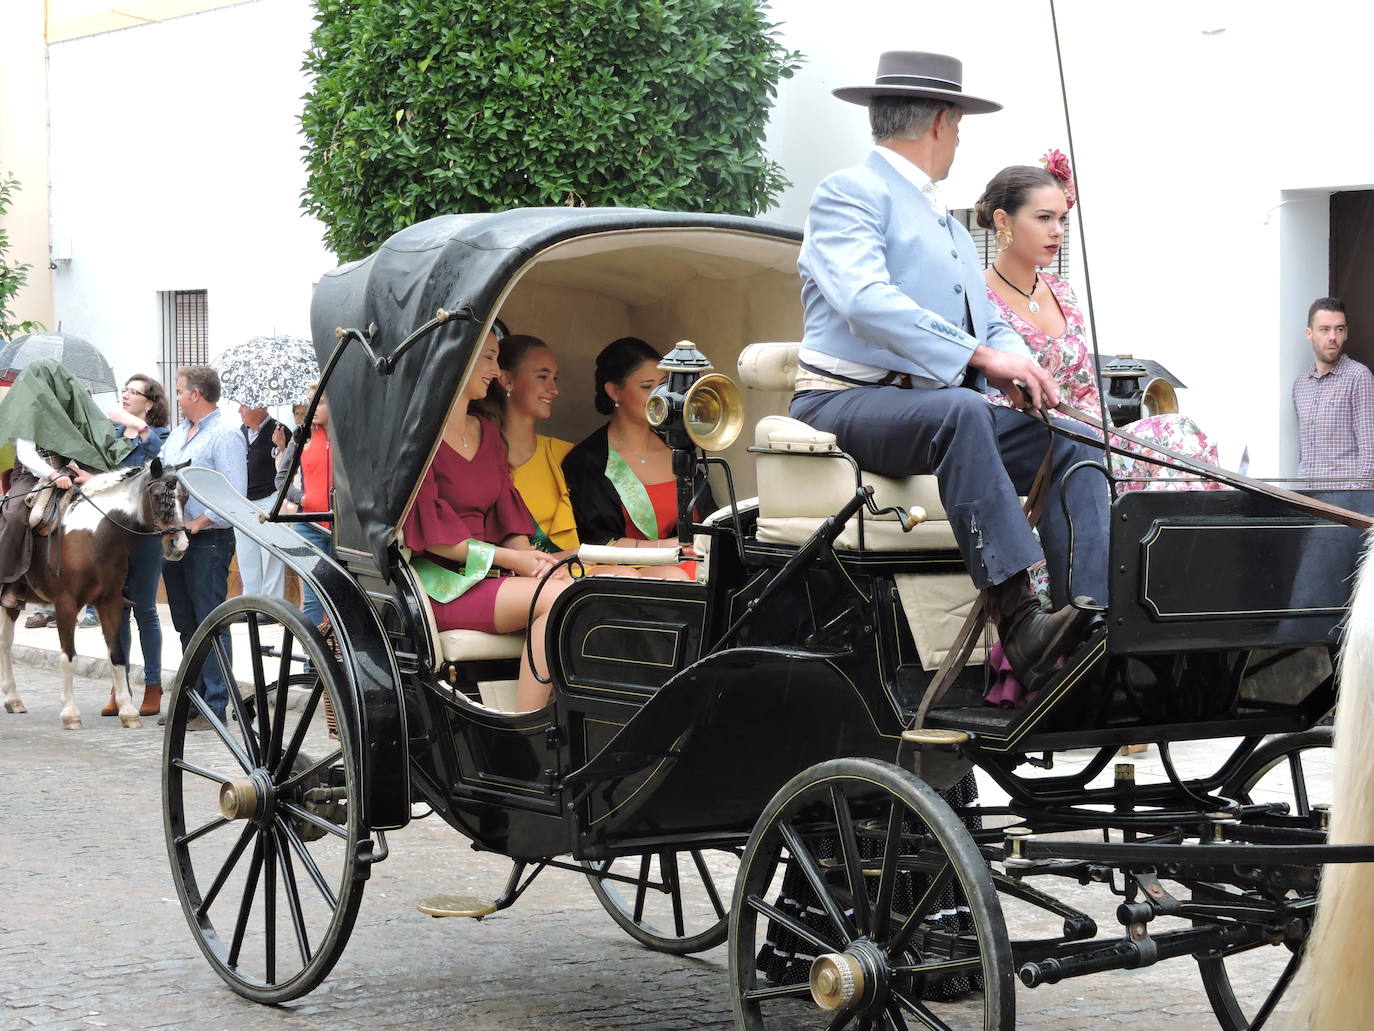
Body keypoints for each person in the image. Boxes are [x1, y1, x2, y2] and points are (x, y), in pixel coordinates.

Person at [788, 51, 1108, 691]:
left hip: (933, 412)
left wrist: (1012, 365)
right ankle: (1018, 621)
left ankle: (1090, 617)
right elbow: (864, 299)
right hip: (844, 402)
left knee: (1073, 438)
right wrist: (979, 358)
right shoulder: (848, 194)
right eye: (959, 124)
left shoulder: (952, 228)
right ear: (941, 121)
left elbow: (984, 323)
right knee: (961, 411)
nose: (959, 139)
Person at [977, 156, 1223, 492]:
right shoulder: (977, 297)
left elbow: (1086, 389)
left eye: (1062, 218)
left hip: (1093, 438)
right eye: (1044, 218)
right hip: (1032, 443)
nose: (1057, 230)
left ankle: (1180, 540)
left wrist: (1108, 438)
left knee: (1180, 433)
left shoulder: (1062, 291)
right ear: (1003, 220)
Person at [404, 329, 572, 712]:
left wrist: (536, 562)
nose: (496, 371)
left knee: (577, 588)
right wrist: (513, 561)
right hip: (444, 584)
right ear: (456, 359)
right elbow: (433, 538)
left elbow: (508, 521)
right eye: (489, 358)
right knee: (561, 597)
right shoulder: (418, 437)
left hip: (493, 579)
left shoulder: (489, 434)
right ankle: (526, 724)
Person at [562, 337, 714, 580]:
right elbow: (596, 542)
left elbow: (709, 520)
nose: (658, 396)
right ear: (614, 391)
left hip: (696, 564)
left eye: (663, 385)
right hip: (631, 574)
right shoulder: (588, 461)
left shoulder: (680, 446)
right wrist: (666, 549)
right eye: (646, 386)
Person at [0, 359, 135, 609]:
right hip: (29, 475)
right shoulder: (24, 409)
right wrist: (52, 475)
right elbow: (27, 455)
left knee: (104, 509)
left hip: (64, 471)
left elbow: (75, 442)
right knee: (17, 513)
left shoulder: (62, 409)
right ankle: (8, 581)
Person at [158, 365, 246, 729]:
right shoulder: (179, 433)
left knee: (210, 622)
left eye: (179, 391)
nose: (176, 398)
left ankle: (215, 707)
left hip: (207, 540)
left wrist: (199, 521)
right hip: (174, 539)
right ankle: (192, 702)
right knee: (185, 623)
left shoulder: (225, 434)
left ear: (196, 394)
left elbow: (233, 494)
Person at [102, 374, 171, 717]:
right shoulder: (111, 435)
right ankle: (120, 684)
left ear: (150, 402)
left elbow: (162, 461)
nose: (126, 395)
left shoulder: (160, 436)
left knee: (144, 608)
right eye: (124, 391)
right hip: (112, 534)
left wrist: (137, 426)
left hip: (143, 534)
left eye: (134, 392)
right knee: (116, 610)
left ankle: (154, 685)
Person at [480, 334, 579, 553]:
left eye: (555, 378)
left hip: (577, 572)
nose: (554, 389)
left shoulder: (563, 454)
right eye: (543, 377)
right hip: (518, 577)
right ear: (507, 380)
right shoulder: (477, 452)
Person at [1292, 297, 1374, 487]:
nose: (1332, 337)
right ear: (1309, 333)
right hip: (1307, 503)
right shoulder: (1300, 385)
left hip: (1344, 505)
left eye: (1339, 329)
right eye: (1324, 329)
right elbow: (1304, 455)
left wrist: (1352, 501)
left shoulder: (1359, 377)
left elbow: (1370, 453)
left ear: (1346, 334)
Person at [274, 384, 332, 629]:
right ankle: (313, 664)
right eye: (310, 402)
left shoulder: (348, 437)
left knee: (339, 598)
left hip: (344, 531)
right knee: (313, 601)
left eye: (319, 402)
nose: (312, 408)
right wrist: (302, 498)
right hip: (309, 527)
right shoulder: (303, 436)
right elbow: (281, 479)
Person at [233, 403, 286, 598]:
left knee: (271, 554)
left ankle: (273, 603)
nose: (240, 411)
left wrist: (281, 445)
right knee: (247, 554)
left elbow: (288, 466)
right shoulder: (240, 432)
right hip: (244, 500)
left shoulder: (279, 429)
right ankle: (252, 602)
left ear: (259, 408)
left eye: (244, 407)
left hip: (269, 498)